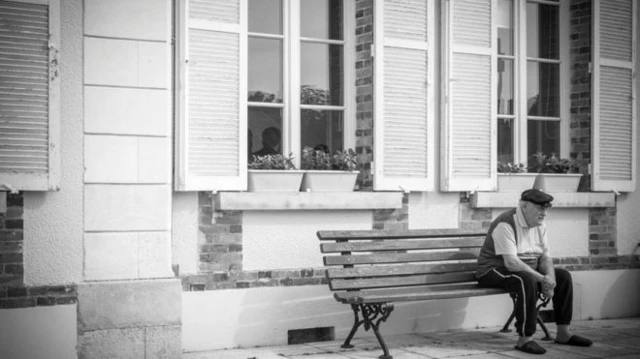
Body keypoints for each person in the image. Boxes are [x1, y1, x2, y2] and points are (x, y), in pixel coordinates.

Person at [476, 188, 593, 355]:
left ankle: (563, 333)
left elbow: (545, 258)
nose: (544, 213)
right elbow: (511, 263)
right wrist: (542, 279)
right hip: (493, 270)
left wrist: (550, 278)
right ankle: (525, 338)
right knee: (525, 279)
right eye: (539, 208)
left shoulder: (540, 225)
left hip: (524, 270)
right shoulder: (506, 223)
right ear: (523, 206)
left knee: (563, 276)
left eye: (546, 208)